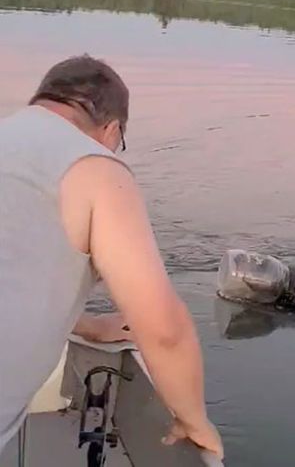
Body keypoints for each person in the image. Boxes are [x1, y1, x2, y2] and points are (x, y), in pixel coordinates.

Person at [0, 55, 224, 459]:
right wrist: (194, 420)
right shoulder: (95, 168)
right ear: (112, 130)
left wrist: (82, 324)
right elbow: (163, 330)